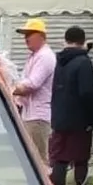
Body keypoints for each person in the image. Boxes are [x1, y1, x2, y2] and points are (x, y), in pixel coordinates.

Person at [48, 25, 93, 185]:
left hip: (60, 115)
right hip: (79, 118)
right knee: (80, 159)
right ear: (83, 41)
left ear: (66, 40)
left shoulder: (59, 61)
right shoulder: (84, 63)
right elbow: (87, 93)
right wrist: (92, 118)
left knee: (60, 159)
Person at [12, 17, 56, 160]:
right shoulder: (34, 56)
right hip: (29, 113)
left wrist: (10, 89)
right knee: (30, 157)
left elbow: (32, 84)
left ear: (41, 36)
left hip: (38, 115)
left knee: (39, 159)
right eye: (25, 35)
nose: (26, 38)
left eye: (29, 34)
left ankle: (44, 182)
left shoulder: (45, 56)